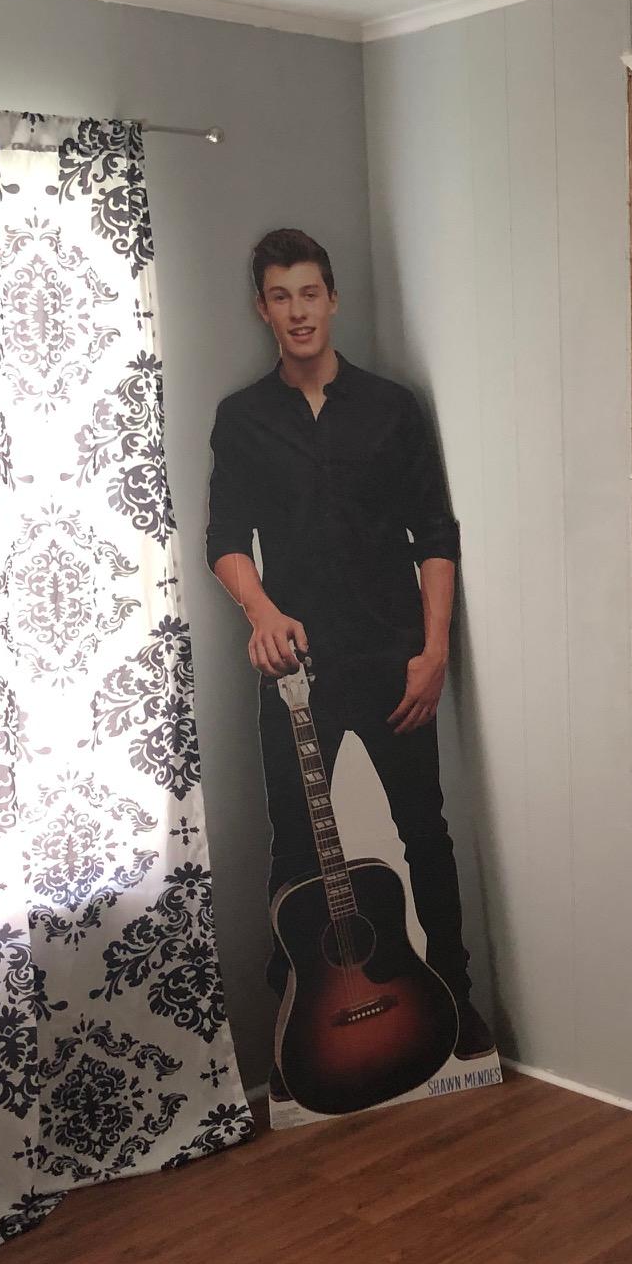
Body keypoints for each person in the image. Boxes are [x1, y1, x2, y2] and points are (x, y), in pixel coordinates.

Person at [206, 228, 496, 1098]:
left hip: (394, 656)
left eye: (310, 293)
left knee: (426, 831)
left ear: (332, 299)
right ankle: (299, 1029)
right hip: (297, 667)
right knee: (293, 849)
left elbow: (435, 534)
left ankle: (457, 998)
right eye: (281, 297)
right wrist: (261, 612)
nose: (298, 311)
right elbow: (225, 540)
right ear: (262, 310)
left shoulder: (392, 407)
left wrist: (434, 652)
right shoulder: (242, 418)